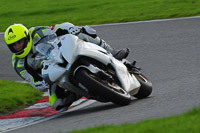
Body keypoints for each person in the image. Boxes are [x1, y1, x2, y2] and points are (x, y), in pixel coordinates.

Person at [4, 23, 129, 112]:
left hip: (62, 52)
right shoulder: (18, 63)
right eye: (13, 45)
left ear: (26, 37)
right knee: (57, 104)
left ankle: (111, 51)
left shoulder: (37, 31)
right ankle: (86, 90)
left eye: (19, 42)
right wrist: (43, 83)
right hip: (53, 74)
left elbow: (55, 29)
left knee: (83, 31)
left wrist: (71, 29)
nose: (18, 46)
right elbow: (32, 81)